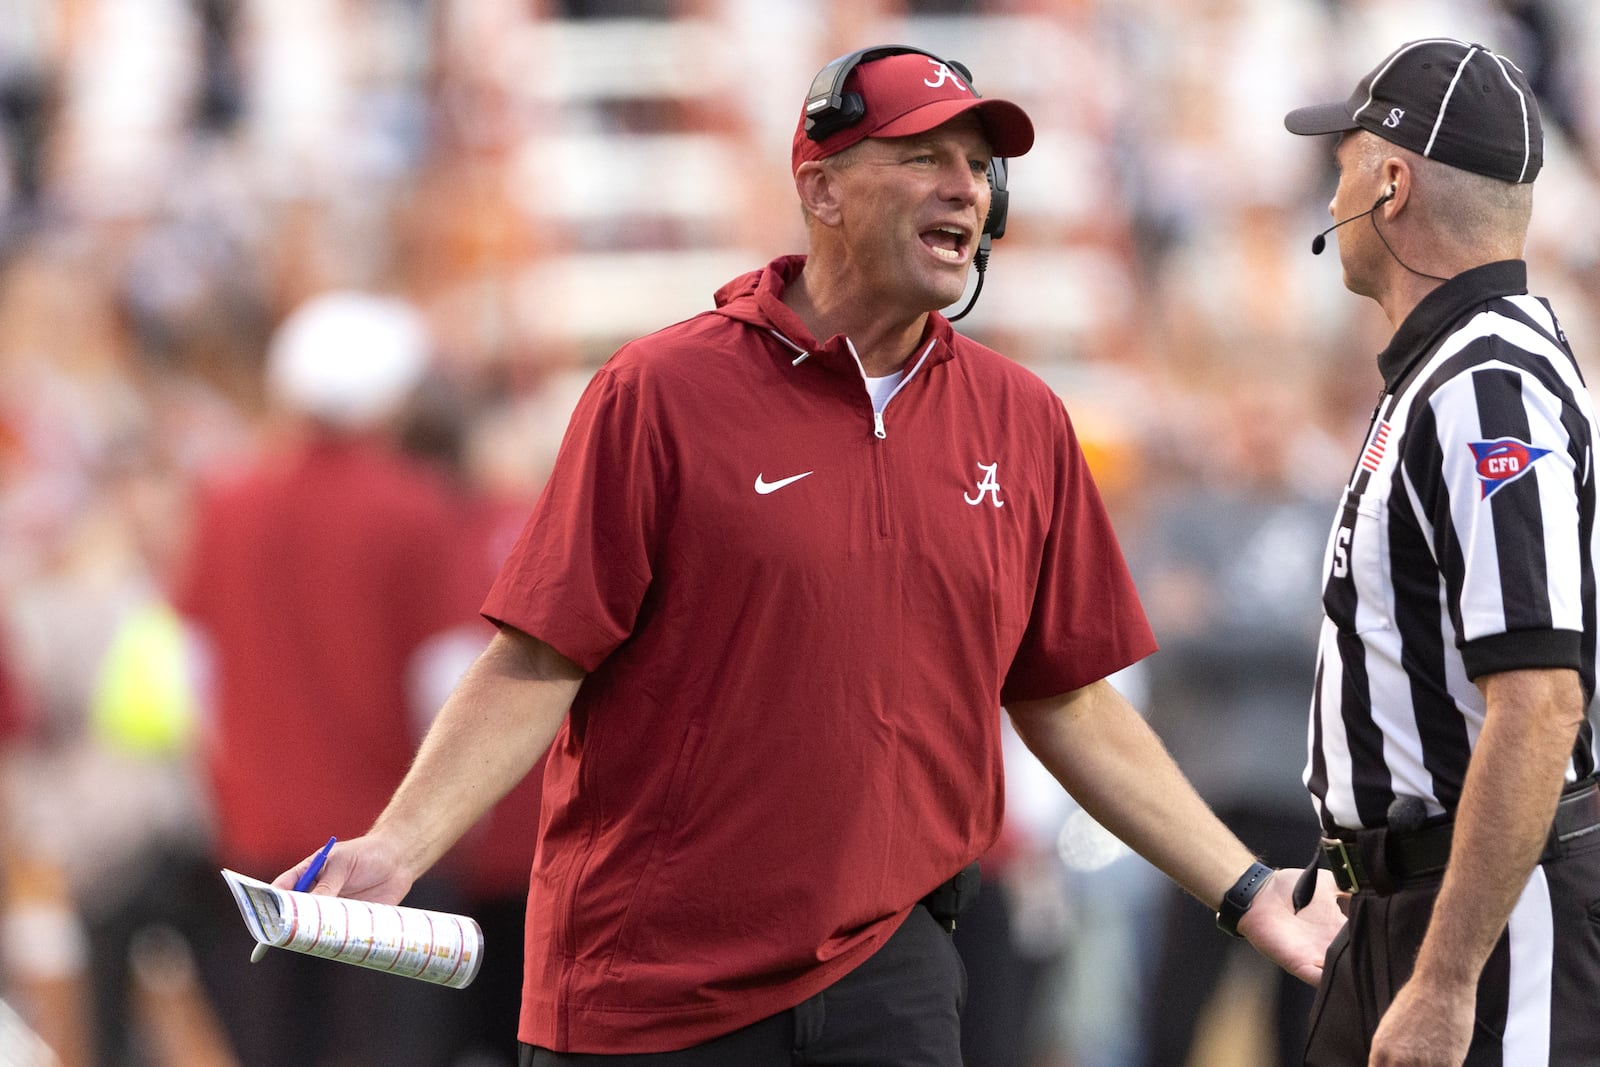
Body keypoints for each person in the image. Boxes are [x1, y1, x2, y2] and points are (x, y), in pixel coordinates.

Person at [276, 46, 1341, 1064]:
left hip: (893, 972)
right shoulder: (660, 393)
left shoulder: (1024, 422)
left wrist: (1247, 890)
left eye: (979, 166)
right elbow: (538, 656)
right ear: (822, 189)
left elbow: (1069, 698)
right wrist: (399, 845)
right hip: (650, 984)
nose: (963, 189)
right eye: (922, 156)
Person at [1284, 37, 1600, 1067]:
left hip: (1488, 923)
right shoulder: (1444, 373)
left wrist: (1448, 974)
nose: (1327, 191)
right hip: (1411, 907)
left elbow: (1541, 697)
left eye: (1343, 161)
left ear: (1390, 181)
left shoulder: (1484, 382)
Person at [175, 290, 473, 1066]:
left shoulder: (226, 502)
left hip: (254, 845)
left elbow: (189, 674)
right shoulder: (414, 509)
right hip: (386, 856)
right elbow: (444, 688)